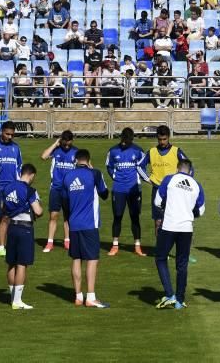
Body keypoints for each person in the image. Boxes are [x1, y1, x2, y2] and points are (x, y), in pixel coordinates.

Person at [61, 149, 110, 308]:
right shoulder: (94, 174)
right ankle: (90, 296)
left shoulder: (67, 176)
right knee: (92, 259)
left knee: (76, 259)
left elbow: (65, 202)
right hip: (90, 223)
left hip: (74, 224)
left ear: (75, 160)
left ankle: (77, 296)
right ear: (88, 161)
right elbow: (104, 194)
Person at [154, 159, 205, 310]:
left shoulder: (169, 179)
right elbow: (201, 210)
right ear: (190, 171)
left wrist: (168, 207)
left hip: (169, 225)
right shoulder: (196, 185)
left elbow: (157, 201)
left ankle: (170, 294)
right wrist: (188, 212)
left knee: (161, 258)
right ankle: (179, 300)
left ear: (177, 169)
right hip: (186, 228)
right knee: (182, 265)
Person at [2, 163, 43, 310]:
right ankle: (17, 301)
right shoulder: (30, 190)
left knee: (11, 263)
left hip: (11, 227)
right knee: (22, 264)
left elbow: (3, 207)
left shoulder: (8, 187)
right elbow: (38, 211)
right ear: (31, 175)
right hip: (25, 228)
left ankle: (13, 297)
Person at [139, 125, 190, 236]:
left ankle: (179, 246)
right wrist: (148, 179)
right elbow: (139, 166)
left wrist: (184, 182)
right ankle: (160, 250)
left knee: (177, 220)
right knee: (158, 221)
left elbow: (189, 167)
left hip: (174, 191)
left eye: (164, 139)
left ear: (169, 137)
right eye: (160, 139)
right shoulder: (151, 152)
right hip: (157, 190)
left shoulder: (176, 151)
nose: (162, 142)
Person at [105, 127, 147, 257]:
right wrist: (115, 177)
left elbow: (143, 167)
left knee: (135, 217)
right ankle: (115, 245)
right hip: (118, 189)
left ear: (132, 139)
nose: (125, 143)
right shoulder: (112, 151)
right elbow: (109, 166)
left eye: (127, 141)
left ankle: (137, 246)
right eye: (124, 140)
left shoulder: (138, 150)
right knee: (117, 216)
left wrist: (137, 179)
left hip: (134, 189)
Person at [0, 121, 23, 260]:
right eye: (7, 134)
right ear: (1, 131)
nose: (10, 137)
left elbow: (19, 166)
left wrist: (18, 184)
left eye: (12, 135)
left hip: (11, 188)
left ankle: (1, 247)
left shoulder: (16, 148)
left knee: (6, 218)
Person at [40, 131, 77, 252]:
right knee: (53, 215)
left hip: (70, 190)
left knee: (68, 217)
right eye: (64, 143)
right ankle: (50, 243)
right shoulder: (56, 150)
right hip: (55, 188)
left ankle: (68, 241)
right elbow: (43, 156)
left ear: (72, 140)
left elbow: (88, 166)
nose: (66, 145)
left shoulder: (76, 152)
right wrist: (55, 144)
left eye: (68, 142)